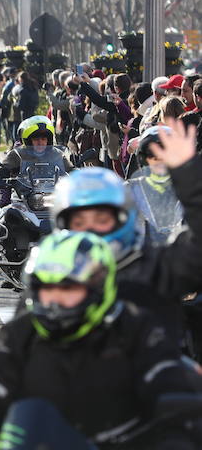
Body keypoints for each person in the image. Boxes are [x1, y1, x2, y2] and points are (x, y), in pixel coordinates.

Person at [0, 230, 197, 450]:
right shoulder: (20, 333)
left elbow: (169, 392)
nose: (55, 301)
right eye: (47, 289)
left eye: (68, 289)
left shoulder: (136, 328)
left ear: (97, 288)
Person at [51, 118, 202, 344]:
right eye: (153, 157)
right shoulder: (128, 191)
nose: (159, 163)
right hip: (137, 275)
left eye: (165, 158)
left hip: (175, 266)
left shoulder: (189, 192)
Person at [0, 116, 73, 208]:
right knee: (8, 212)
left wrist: (82, 176)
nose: (40, 142)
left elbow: (71, 170)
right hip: (23, 199)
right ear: (29, 141)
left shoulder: (56, 154)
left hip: (53, 198)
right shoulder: (17, 154)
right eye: (36, 139)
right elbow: (3, 170)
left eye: (43, 139)